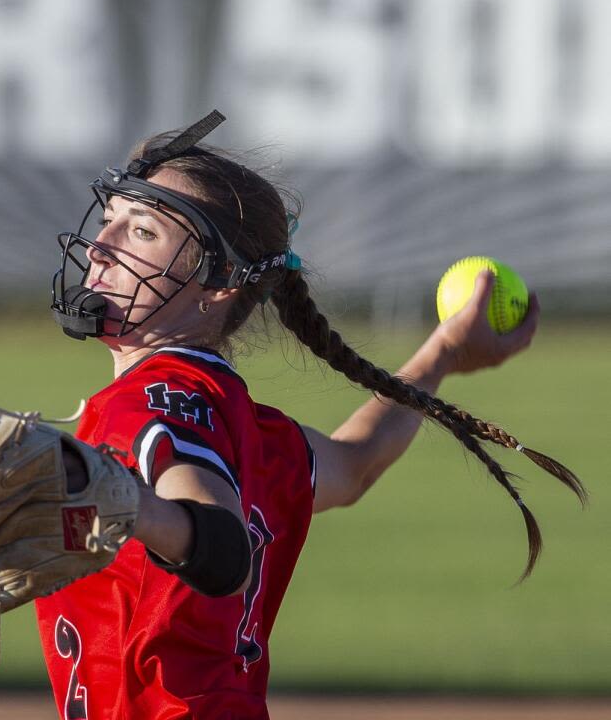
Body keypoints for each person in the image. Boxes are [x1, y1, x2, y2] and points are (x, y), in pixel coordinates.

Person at [37, 110, 585, 718]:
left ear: (217, 281)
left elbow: (214, 537)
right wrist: (445, 351)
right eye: (111, 220)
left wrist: (119, 503)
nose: (102, 248)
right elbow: (354, 464)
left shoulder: (158, 403)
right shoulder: (240, 421)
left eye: (142, 232)